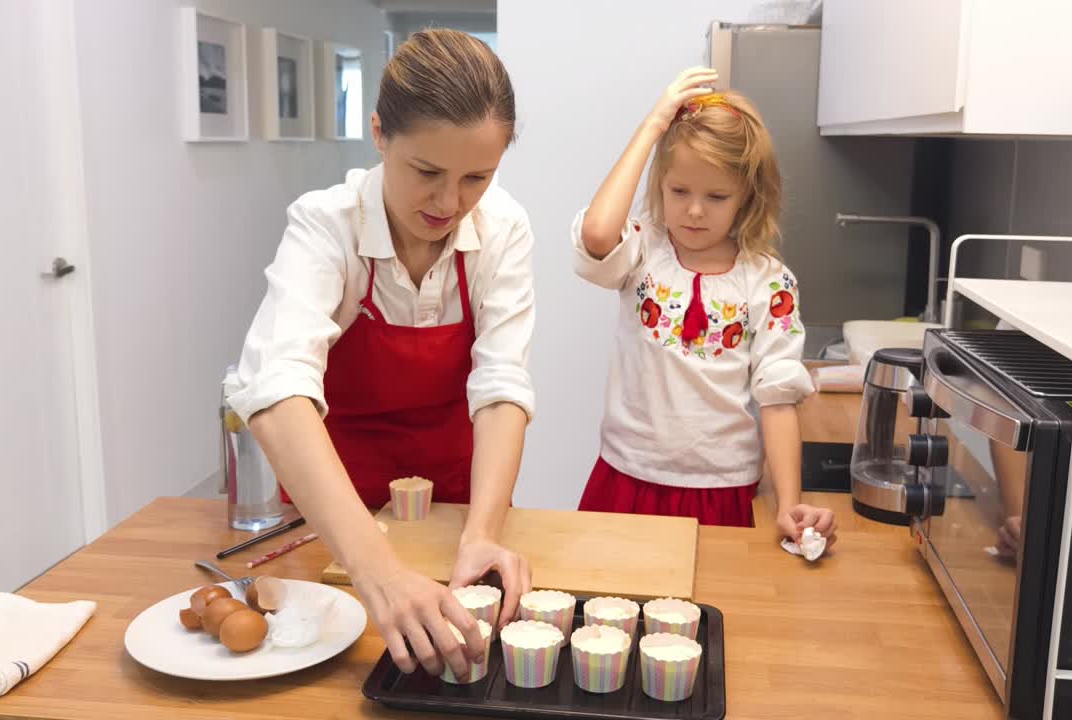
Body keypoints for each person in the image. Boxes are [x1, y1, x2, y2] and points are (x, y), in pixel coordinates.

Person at [224, 29, 534, 678]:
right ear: (379, 135)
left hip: (453, 508)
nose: (449, 204)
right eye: (427, 172)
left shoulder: (502, 228)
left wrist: (481, 534)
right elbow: (275, 390)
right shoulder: (326, 225)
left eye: (476, 178)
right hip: (331, 514)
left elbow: (502, 385)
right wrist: (379, 572)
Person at [571, 67, 838, 548]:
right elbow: (596, 233)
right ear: (660, 184)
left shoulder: (767, 281)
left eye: (716, 196)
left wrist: (788, 503)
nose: (695, 210)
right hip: (627, 475)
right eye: (679, 191)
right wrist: (653, 125)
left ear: (747, 197)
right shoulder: (642, 250)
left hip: (722, 489)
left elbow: (778, 399)